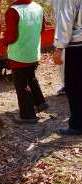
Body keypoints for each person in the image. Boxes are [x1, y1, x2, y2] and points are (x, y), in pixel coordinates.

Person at [4, 0, 48, 124]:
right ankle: (40, 102)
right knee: (31, 76)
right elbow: (42, 28)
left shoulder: (14, 10)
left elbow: (11, 36)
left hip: (19, 54)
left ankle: (28, 115)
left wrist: (3, 41)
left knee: (21, 84)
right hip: (33, 51)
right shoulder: (38, 7)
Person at [53, 0, 82, 135]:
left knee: (74, 86)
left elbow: (65, 21)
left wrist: (59, 47)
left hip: (77, 45)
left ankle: (77, 125)